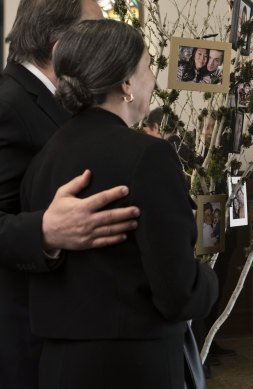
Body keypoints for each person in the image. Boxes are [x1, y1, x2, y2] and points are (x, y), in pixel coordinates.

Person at [20, 19, 218, 389]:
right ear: (125, 84)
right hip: (132, 366)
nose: (153, 80)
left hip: (58, 367)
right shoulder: (150, 156)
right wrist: (208, 279)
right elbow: (179, 294)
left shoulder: (43, 159)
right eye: (148, 68)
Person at [0, 1, 140, 387]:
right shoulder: (9, 104)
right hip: (25, 342)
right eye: (97, 31)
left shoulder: (55, 101)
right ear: (62, 48)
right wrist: (44, 231)